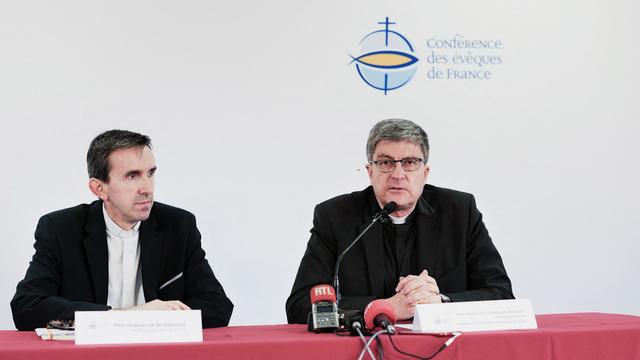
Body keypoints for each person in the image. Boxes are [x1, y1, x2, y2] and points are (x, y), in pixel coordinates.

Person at [286, 119, 514, 324]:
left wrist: (441, 302)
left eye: (409, 162)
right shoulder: (335, 216)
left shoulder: (459, 212)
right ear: (370, 171)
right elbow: (300, 306)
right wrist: (386, 307)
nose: (397, 174)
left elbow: (501, 295)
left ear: (425, 172)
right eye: (386, 163)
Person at [11, 130, 233, 330]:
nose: (147, 188)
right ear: (99, 188)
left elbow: (217, 305)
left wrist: (155, 319)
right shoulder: (61, 229)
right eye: (132, 176)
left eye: (150, 173)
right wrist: (123, 316)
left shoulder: (178, 225)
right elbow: (27, 307)